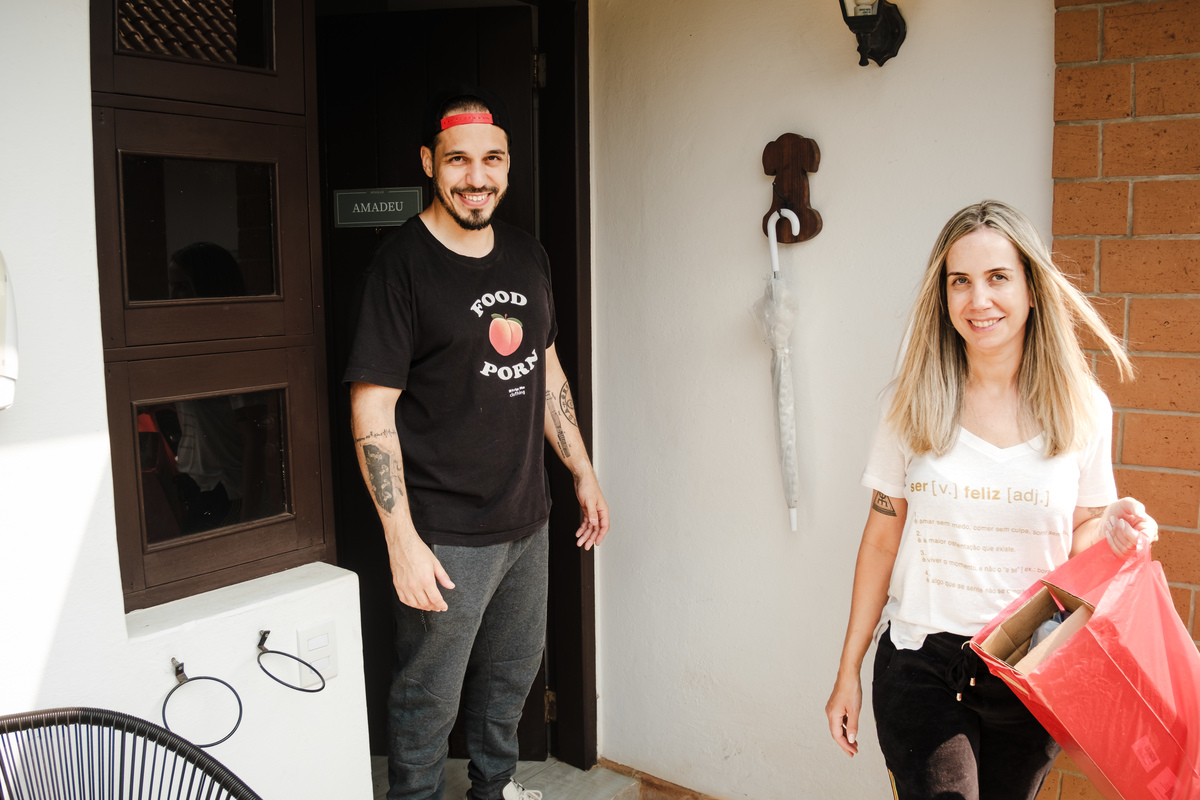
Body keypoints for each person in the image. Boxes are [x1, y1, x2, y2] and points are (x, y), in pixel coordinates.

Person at [824, 200, 1158, 799]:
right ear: (943, 296)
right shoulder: (908, 404)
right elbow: (880, 537)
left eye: (998, 277)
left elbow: (1080, 533)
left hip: (1028, 667)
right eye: (961, 282)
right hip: (921, 661)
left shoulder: (1081, 408)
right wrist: (847, 669)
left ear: (1032, 290)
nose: (979, 301)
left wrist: (1111, 528)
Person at [344, 85, 609, 800]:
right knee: (428, 697)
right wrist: (400, 538)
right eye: (458, 160)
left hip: (526, 518)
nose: (477, 176)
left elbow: (544, 364)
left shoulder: (527, 257)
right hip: (445, 531)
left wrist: (579, 468)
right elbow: (372, 409)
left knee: (510, 679)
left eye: (492, 159)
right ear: (429, 162)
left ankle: (495, 791)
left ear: (508, 164)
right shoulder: (401, 267)